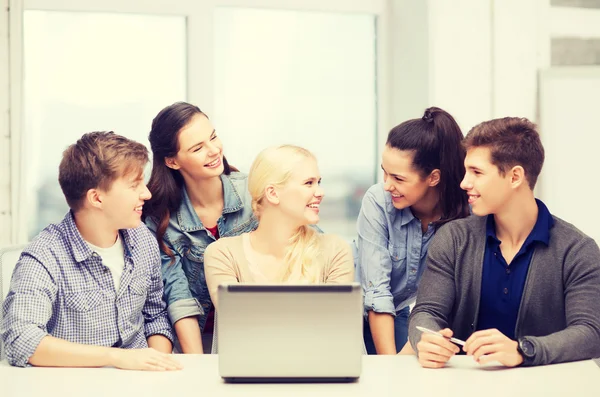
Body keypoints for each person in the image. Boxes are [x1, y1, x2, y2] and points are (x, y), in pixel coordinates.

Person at [408, 117, 600, 368]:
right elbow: (425, 313)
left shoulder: (577, 250)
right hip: (462, 384)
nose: (464, 183)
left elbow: (590, 334)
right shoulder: (453, 239)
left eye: (476, 172)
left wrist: (524, 350)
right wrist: (427, 338)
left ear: (515, 177)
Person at [1, 131, 180, 370]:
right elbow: (21, 340)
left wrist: (155, 364)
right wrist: (116, 358)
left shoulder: (143, 240)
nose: (146, 193)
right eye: (134, 185)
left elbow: (155, 318)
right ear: (96, 198)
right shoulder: (44, 255)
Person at [143, 102, 257, 353]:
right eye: (197, 148)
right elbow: (178, 297)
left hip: (255, 335)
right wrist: (197, 366)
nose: (214, 150)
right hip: (196, 341)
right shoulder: (159, 219)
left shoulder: (253, 193)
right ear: (172, 161)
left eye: (213, 137)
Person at [354, 107, 470, 355]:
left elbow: (445, 301)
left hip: (400, 311)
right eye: (384, 172)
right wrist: (390, 366)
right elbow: (377, 292)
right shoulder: (378, 201)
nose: (387, 185)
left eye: (398, 178)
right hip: (354, 311)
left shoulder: (466, 216)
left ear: (433, 178)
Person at [204, 145, 354, 310]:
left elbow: (334, 326)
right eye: (309, 183)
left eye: (318, 182)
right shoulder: (223, 254)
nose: (320, 192)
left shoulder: (335, 250)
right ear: (273, 193)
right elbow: (240, 327)